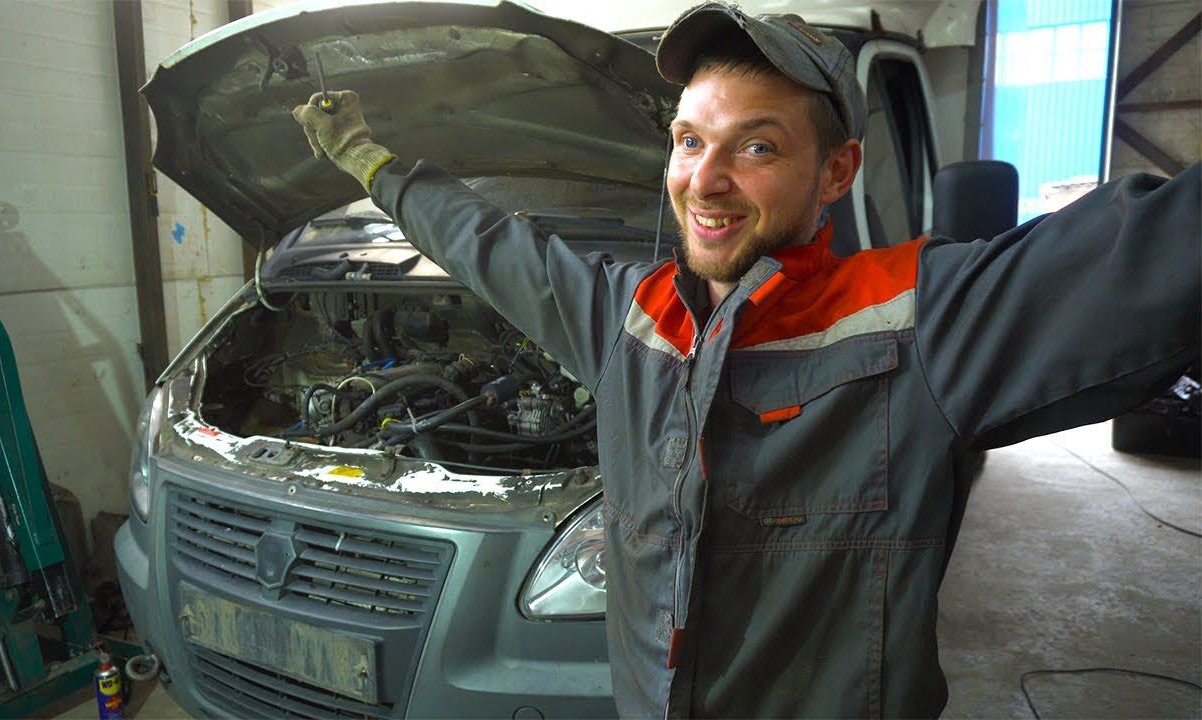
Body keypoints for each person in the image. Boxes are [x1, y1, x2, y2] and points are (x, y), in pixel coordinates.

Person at [292, 3, 1200, 716]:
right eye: (690, 140)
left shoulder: (917, 319)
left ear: (836, 172)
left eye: (756, 146)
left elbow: (1161, 248)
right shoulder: (628, 317)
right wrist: (372, 163)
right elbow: (492, 245)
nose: (705, 178)